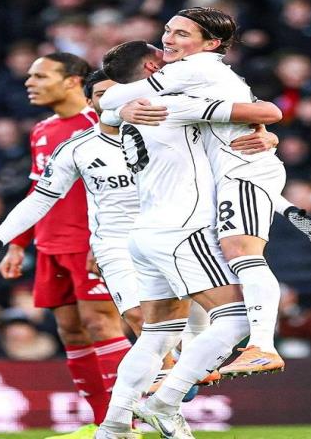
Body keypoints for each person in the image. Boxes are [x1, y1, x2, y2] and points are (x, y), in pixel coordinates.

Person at [100, 7, 311, 378]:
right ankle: (202, 360)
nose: (168, 39)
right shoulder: (194, 78)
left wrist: (121, 108)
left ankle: (262, 346)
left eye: (181, 34)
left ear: (211, 44)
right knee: (224, 263)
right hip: (225, 174)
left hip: (243, 169)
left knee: (242, 254)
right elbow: (262, 111)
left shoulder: (193, 69)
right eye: (168, 30)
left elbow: (271, 111)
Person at [92, 42, 286, 438]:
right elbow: (268, 111)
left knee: (157, 334)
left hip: (145, 234)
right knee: (236, 316)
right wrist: (266, 132)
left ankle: (113, 427)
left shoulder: (129, 113)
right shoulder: (172, 105)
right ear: (152, 67)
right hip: (184, 229)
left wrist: (266, 136)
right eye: (163, 57)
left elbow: (108, 110)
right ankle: (165, 402)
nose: (176, 61)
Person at [0, 52, 131, 439]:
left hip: (91, 243)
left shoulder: (101, 124)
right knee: (70, 331)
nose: (29, 83)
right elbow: (40, 191)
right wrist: (19, 243)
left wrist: (108, 238)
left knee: (101, 324)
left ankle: (127, 423)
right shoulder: (42, 129)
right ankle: (102, 422)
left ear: (73, 81)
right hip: (51, 245)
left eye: (40, 76)